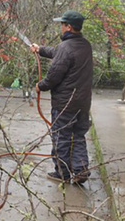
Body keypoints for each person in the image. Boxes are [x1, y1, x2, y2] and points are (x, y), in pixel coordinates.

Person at [30, 10, 93, 184]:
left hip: (65, 104)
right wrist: (40, 50)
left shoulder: (66, 48)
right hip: (83, 103)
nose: (61, 27)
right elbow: (59, 54)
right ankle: (81, 170)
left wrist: (40, 86)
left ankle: (62, 173)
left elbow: (54, 75)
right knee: (78, 135)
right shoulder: (85, 45)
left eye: (62, 24)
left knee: (62, 137)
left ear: (69, 27)